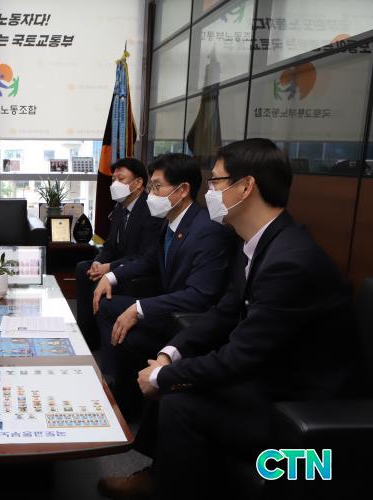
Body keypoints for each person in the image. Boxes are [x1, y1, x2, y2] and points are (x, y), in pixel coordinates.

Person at [97, 138, 356, 499]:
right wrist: (170, 354)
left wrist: (163, 375)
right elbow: (223, 312)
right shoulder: (259, 243)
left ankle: (164, 485)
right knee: (174, 376)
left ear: (246, 187)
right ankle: (158, 475)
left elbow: (241, 356)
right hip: (265, 379)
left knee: (178, 399)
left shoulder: (289, 261)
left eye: (216, 182)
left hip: (295, 404)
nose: (209, 193)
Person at [93, 153, 234, 409]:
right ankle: (113, 381)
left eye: (157, 187)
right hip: (169, 306)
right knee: (107, 306)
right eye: (151, 187)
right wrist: (111, 276)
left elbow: (200, 296)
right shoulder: (170, 220)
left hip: (186, 319)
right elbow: (149, 260)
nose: (151, 194)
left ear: (183, 190)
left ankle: (124, 400)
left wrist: (139, 309)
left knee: (128, 333)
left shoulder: (207, 230)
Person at [75, 157, 164, 349]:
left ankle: (99, 339)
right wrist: (99, 262)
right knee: (84, 268)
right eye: (113, 179)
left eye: (121, 179)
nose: (115, 184)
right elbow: (109, 246)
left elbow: (145, 257)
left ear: (138, 183)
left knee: (99, 279)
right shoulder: (120, 208)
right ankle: (87, 336)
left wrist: (110, 267)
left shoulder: (151, 210)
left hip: (137, 274)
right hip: (118, 264)